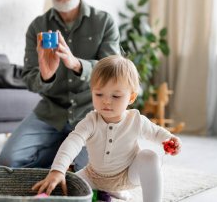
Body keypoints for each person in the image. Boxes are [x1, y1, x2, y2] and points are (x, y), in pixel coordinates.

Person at [0, 0, 120, 171]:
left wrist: (76, 64)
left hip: (90, 111)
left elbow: (113, 74)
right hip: (50, 111)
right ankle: (63, 157)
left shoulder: (104, 22)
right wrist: (46, 75)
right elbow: (29, 80)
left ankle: (68, 160)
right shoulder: (37, 26)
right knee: (8, 161)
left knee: (90, 172)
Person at [32, 55, 182, 202]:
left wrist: (170, 140)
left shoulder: (135, 120)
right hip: (94, 176)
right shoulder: (91, 121)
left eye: (115, 96)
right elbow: (73, 142)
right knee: (65, 185)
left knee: (149, 157)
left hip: (127, 175)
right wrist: (58, 170)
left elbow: (156, 133)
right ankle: (106, 191)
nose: (106, 101)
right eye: (99, 94)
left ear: (131, 97)